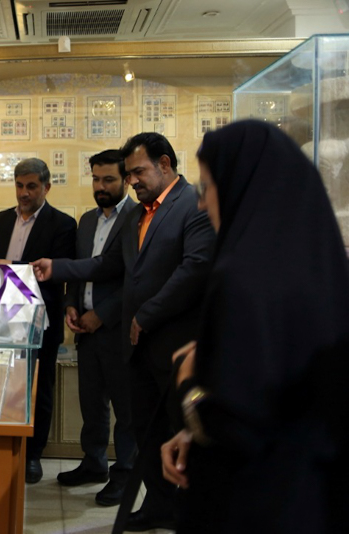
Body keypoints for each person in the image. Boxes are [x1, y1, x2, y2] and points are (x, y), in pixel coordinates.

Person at [160, 120, 349, 533]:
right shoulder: (324, 270)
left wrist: (187, 380)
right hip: (311, 497)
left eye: (206, 188)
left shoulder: (241, 278)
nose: (201, 205)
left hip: (250, 501)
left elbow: (235, 423)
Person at [33, 132, 215, 531]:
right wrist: (57, 267)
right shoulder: (137, 215)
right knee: (149, 432)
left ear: (165, 164)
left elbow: (195, 269)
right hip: (138, 349)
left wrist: (146, 314)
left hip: (175, 347)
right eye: (129, 173)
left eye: (138, 172)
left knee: (183, 435)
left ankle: (191, 511)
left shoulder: (193, 205)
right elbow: (108, 265)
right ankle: (158, 506)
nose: (131, 181)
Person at [0, 157, 77, 484]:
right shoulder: (1, 220)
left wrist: (9, 267)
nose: (24, 193)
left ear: (46, 187)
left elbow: (53, 276)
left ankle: (33, 454)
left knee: (40, 389)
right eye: (19, 185)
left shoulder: (63, 224)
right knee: (3, 386)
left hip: (41, 321)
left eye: (32, 186)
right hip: (2, 320)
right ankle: (3, 449)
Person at [56, 150, 138, 507]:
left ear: (126, 180)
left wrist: (102, 314)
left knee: (126, 410)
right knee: (91, 403)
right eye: (95, 179)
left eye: (109, 180)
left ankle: (125, 475)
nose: (100, 186)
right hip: (86, 330)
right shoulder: (87, 220)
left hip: (118, 329)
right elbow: (79, 268)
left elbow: (134, 278)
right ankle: (94, 463)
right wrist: (71, 304)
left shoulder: (138, 217)